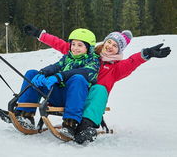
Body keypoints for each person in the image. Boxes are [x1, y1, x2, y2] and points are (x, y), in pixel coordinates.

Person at [23, 24, 171, 144]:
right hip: (72, 92)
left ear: (120, 50)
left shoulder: (116, 68)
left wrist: (146, 54)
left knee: (99, 89)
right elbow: (63, 45)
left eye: (116, 46)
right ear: (104, 42)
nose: (110, 46)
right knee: (51, 77)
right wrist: (39, 34)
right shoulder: (87, 53)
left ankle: (86, 126)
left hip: (90, 102)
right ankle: (24, 111)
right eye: (109, 42)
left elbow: (131, 63)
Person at [13, 28, 100, 139]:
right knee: (32, 74)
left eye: (80, 45)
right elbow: (56, 66)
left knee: (78, 78)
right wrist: (42, 73)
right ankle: (25, 115)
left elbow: (84, 72)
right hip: (57, 95)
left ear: (89, 48)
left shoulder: (93, 61)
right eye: (73, 44)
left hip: (75, 99)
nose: (75, 48)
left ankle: (70, 124)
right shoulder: (67, 58)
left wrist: (60, 76)